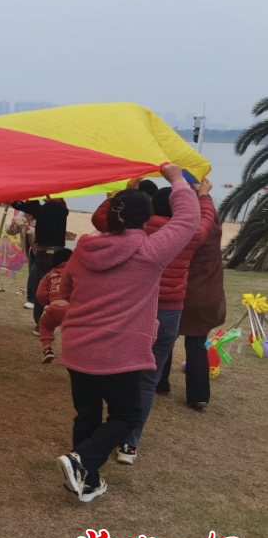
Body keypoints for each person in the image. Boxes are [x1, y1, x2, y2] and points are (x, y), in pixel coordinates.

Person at [54, 165, 198, 503]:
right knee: (127, 415)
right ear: (146, 218)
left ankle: (87, 482)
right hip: (119, 354)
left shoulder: (83, 250)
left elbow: (67, 290)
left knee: (87, 415)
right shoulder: (150, 252)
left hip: (78, 348)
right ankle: (81, 460)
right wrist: (178, 181)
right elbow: (188, 220)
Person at [91, 178, 216, 463]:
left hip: (134, 308)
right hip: (170, 311)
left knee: (117, 372)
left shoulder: (138, 230)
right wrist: (203, 196)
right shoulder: (188, 234)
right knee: (148, 381)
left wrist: (126, 191)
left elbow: (101, 219)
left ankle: (108, 429)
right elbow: (205, 221)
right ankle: (129, 445)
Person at [177, 185, 226, 409]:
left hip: (181, 295)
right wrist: (203, 194)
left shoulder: (184, 234)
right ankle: (198, 396)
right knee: (196, 345)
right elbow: (209, 213)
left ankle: (159, 383)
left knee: (165, 341)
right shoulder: (215, 234)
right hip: (206, 298)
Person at [10, 197, 68, 334]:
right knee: (55, 287)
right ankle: (51, 321)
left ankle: (41, 324)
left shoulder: (49, 208)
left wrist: (16, 202)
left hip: (45, 252)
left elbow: (32, 208)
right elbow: (34, 209)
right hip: (58, 252)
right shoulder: (62, 209)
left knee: (41, 288)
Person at [36, 248, 73, 364]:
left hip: (55, 308)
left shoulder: (49, 275)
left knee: (44, 325)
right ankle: (72, 352)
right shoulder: (76, 274)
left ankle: (47, 349)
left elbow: (40, 294)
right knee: (73, 330)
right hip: (72, 310)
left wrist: (48, 304)